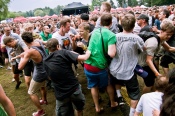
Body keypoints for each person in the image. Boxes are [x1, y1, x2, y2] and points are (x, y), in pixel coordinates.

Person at [44, 38, 90, 116]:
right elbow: (84, 58)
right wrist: (89, 50)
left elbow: (49, 77)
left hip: (61, 92)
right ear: (58, 46)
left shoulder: (45, 61)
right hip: (74, 89)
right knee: (79, 108)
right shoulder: (63, 52)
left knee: (64, 113)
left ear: (48, 49)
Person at [109, 14, 144, 116]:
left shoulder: (114, 37)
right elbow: (143, 49)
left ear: (121, 25)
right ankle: (132, 113)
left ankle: (119, 95)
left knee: (117, 81)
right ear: (134, 25)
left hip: (114, 69)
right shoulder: (137, 38)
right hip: (129, 71)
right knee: (134, 94)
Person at [84, 13, 117, 113]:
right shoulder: (111, 35)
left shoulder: (94, 31)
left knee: (93, 86)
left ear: (100, 22)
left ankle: (97, 107)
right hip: (100, 66)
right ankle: (112, 103)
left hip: (88, 64)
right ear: (111, 23)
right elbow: (111, 54)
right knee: (108, 84)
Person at [138, 19, 175, 93]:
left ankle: (154, 95)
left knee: (155, 81)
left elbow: (170, 49)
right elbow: (148, 60)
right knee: (149, 84)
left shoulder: (161, 39)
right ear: (161, 31)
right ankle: (144, 98)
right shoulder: (153, 42)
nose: (169, 36)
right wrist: (157, 73)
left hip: (148, 62)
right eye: (167, 34)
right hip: (142, 64)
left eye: (171, 34)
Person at [19, 32, 48, 116]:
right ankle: (44, 100)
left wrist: (22, 57)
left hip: (40, 72)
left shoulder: (30, 51)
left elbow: (20, 67)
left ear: (24, 40)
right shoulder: (38, 42)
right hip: (46, 68)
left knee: (31, 92)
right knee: (42, 86)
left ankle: (40, 111)